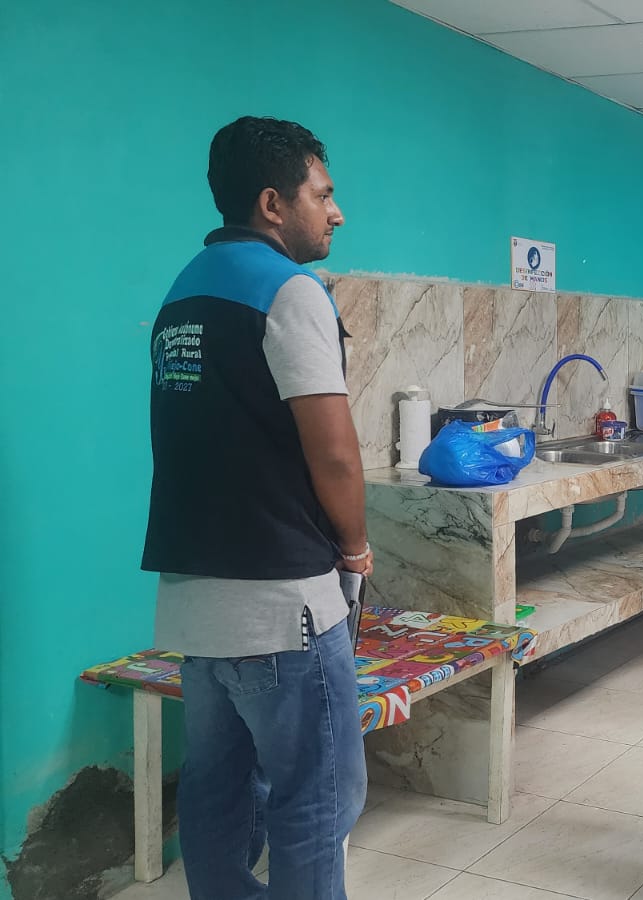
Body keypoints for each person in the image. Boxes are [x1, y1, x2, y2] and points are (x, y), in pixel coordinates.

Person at [142, 116, 370, 899]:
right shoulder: (289, 291)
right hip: (282, 605)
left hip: (193, 604)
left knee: (216, 793)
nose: (336, 213)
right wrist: (356, 549)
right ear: (273, 203)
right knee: (318, 799)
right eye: (323, 195)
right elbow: (334, 452)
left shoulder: (182, 293)